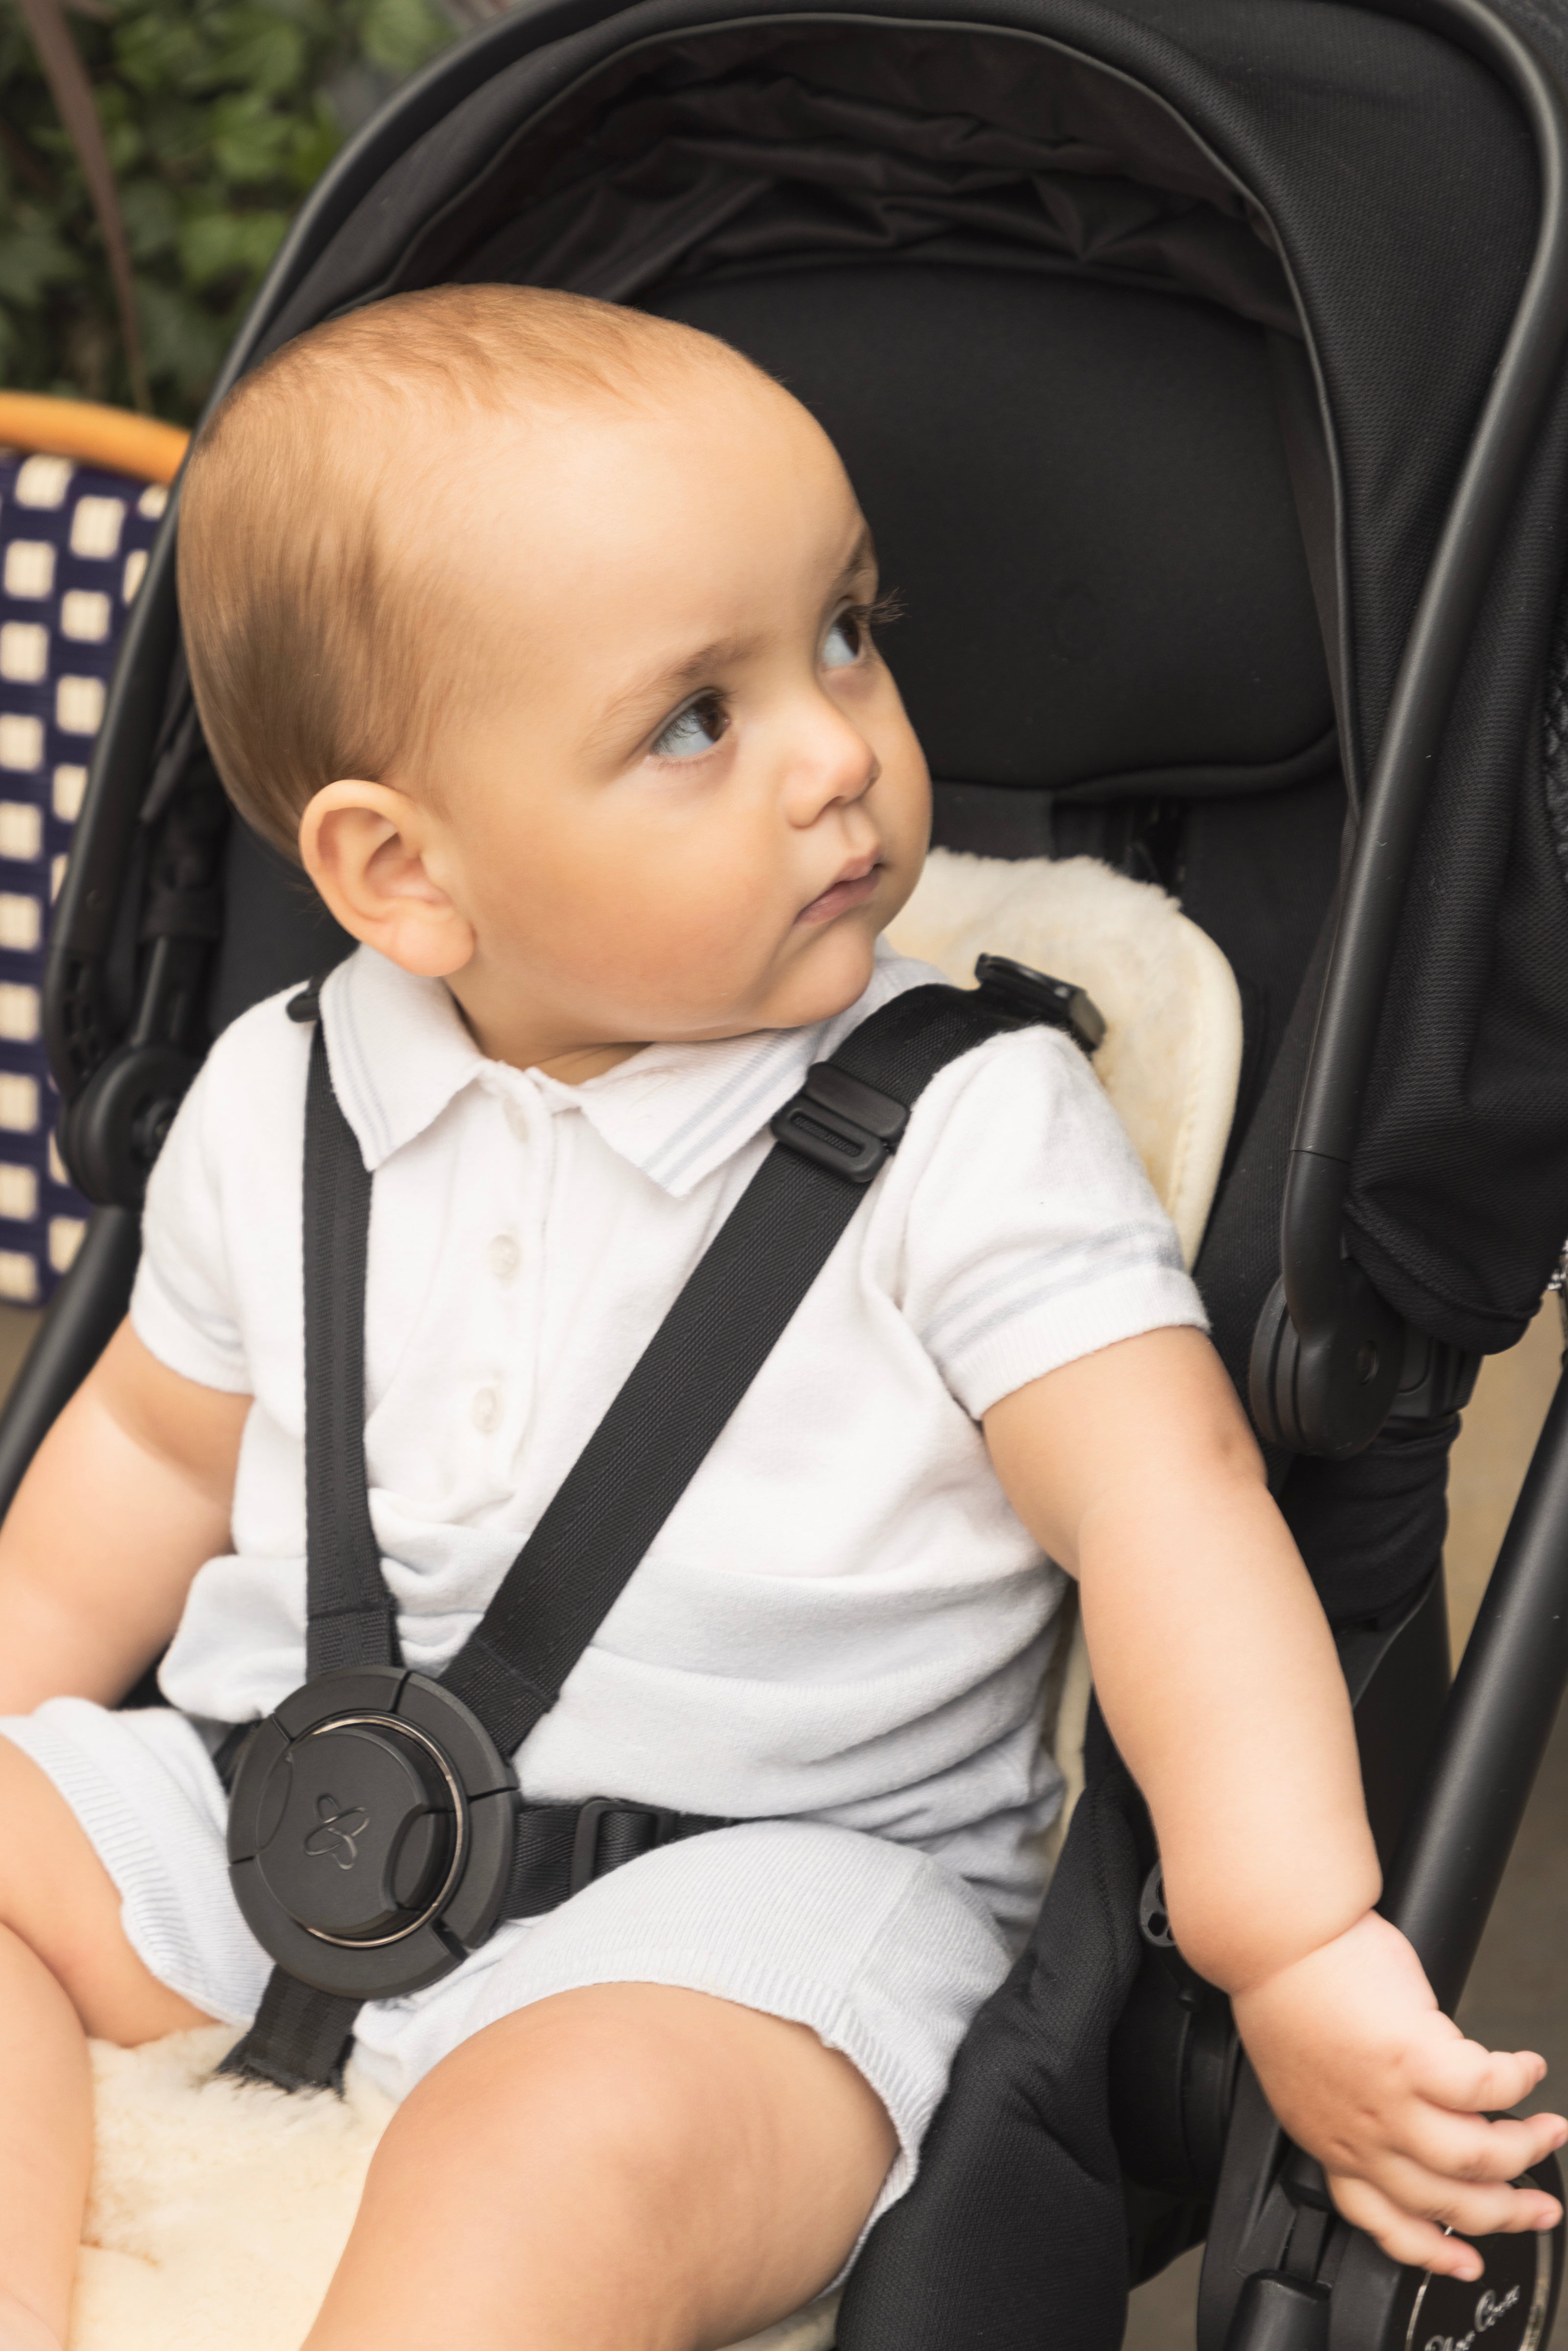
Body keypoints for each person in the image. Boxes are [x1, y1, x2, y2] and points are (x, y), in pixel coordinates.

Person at [0, 284, 1559, 2351]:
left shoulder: (977, 1125)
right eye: (696, 719)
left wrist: (1292, 1943)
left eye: (846, 629)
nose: (840, 746)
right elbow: (142, 1452)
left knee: (557, 2148)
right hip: (272, 1821)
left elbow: (1167, 1510)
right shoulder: (283, 1092)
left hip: (741, 1923)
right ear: (403, 876)